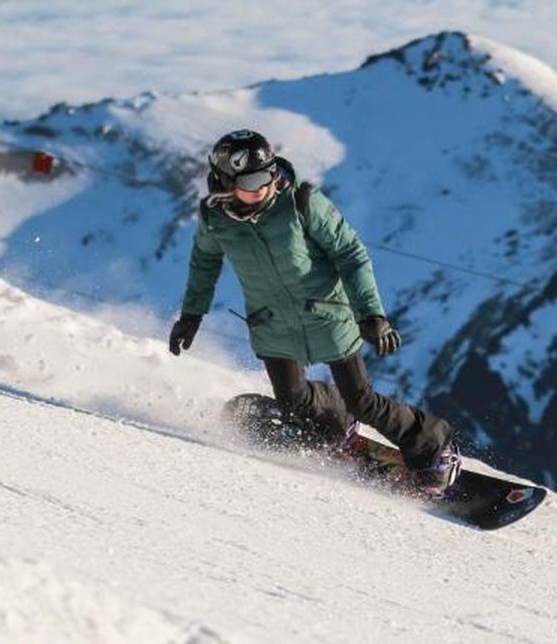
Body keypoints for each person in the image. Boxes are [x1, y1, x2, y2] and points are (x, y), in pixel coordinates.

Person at [167, 129, 460, 493]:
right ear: (224, 181)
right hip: (272, 323)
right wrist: (192, 316)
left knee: (363, 400)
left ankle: (435, 447)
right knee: (293, 402)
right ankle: (336, 423)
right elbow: (204, 263)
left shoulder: (301, 201)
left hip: (326, 315)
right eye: (252, 180)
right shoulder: (215, 220)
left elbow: (351, 254)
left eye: (268, 176)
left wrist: (372, 314)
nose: (265, 187)